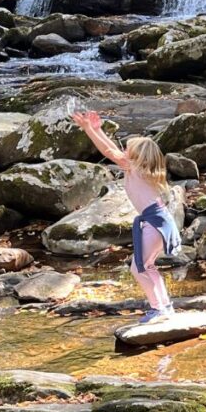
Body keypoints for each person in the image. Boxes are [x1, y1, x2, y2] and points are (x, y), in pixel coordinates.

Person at [72, 110, 181, 323]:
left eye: (128, 150)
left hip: (154, 223)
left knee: (138, 267)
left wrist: (89, 130)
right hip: (159, 222)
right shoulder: (139, 170)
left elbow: (109, 150)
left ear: (137, 157)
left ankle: (159, 309)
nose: (123, 151)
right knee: (147, 265)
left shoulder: (136, 170)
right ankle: (164, 306)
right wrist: (96, 129)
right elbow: (112, 149)